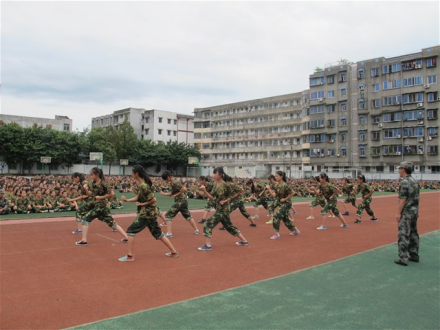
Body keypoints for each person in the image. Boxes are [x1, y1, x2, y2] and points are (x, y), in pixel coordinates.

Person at [118, 165, 179, 261]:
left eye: (132, 172)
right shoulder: (141, 185)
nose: (131, 174)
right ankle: (173, 252)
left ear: (136, 173)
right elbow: (138, 197)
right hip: (150, 213)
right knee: (158, 234)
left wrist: (142, 204)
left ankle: (129, 256)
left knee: (130, 231)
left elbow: (153, 199)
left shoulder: (144, 185)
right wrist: (127, 200)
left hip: (146, 214)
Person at [198, 167, 249, 251]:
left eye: (215, 173)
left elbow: (239, 191)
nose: (214, 175)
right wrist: (205, 191)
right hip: (219, 209)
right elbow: (211, 197)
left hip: (223, 210)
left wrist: (227, 200)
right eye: (213, 173)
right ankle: (244, 241)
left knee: (207, 224)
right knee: (229, 226)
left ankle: (208, 245)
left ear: (221, 174)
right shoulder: (215, 184)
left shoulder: (226, 185)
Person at [75, 167, 128, 246]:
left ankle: (84, 240)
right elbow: (91, 195)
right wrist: (86, 189)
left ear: (97, 175)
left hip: (101, 206)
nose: (91, 176)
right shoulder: (93, 183)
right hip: (100, 207)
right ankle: (126, 237)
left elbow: (111, 194)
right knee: (111, 222)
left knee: (86, 219)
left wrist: (100, 197)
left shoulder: (104, 183)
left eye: (92, 174)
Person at [395, 161, 420, 266]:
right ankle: (414, 254)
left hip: (406, 212)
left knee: (403, 234)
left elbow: (403, 199)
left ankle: (403, 258)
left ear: (403, 170)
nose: (399, 170)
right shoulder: (415, 181)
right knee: (414, 233)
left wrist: (398, 213)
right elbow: (417, 197)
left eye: (399, 168)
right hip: (414, 211)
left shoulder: (404, 182)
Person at [160, 171, 199, 238]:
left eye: (166, 179)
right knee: (187, 216)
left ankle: (169, 233)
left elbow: (184, 189)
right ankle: (196, 230)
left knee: (168, 215)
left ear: (169, 177)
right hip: (183, 201)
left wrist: (176, 195)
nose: (166, 181)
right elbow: (172, 193)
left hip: (180, 201)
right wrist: (164, 194)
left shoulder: (175, 182)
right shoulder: (172, 183)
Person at [265, 171, 300, 239]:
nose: (276, 177)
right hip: (281, 203)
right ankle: (296, 231)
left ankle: (277, 234)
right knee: (285, 219)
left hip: (287, 203)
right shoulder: (276, 185)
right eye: (275, 176)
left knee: (276, 216)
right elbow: (275, 196)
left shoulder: (285, 185)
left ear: (281, 176)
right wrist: (269, 189)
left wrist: (285, 199)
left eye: (277, 176)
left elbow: (293, 193)